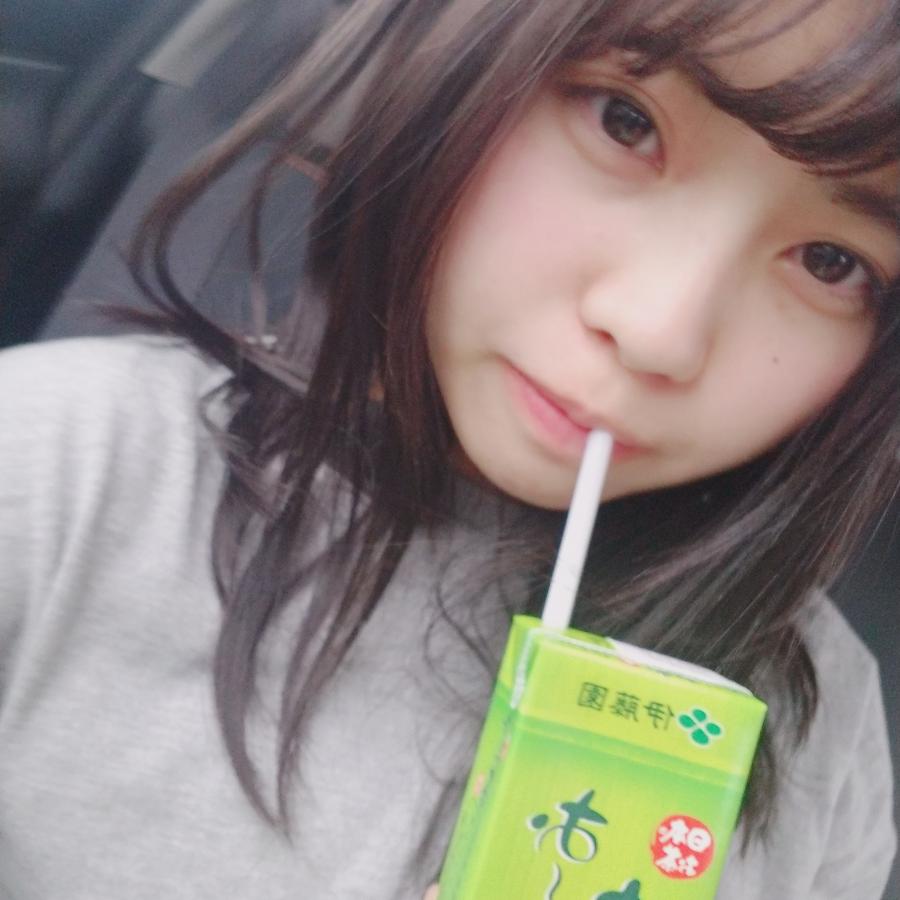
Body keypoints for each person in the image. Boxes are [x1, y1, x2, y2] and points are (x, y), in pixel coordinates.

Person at [0, 0, 897, 897]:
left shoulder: (819, 727)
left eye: (831, 262)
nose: (655, 331)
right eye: (624, 121)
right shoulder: (52, 477)